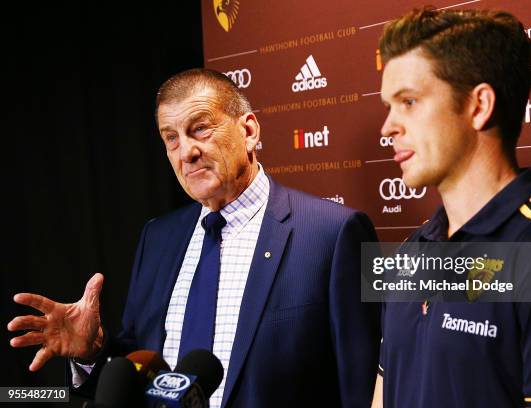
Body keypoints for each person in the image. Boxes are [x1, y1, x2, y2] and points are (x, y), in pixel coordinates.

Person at [8, 69, 381, 407]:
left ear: (249, 131)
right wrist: (90, 352)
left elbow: (361, 383)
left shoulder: (334, 232)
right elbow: (139, 364)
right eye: (171, 138)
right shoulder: (158, 237)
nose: (187, 151)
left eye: (200, 128)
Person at [371, 7, 531, 408]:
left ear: (479, 106)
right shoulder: (410, 254)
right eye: (389, 106)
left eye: (409, 102)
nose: (388, 127)